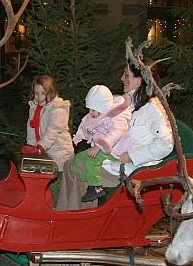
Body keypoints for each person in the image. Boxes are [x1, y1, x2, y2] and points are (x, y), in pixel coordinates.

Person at [56, 59, 173, 210]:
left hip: (134, 167)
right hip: (113, 156)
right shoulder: (125, 101)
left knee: (81, 169)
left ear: (140, 80)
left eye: (126, 75)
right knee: (69, 165)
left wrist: (132, 155)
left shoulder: (153, 108)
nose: (122, 78)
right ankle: (63, 212)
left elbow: (166, 144)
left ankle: (79, 218)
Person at [69, 84, 132, 202]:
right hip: (100, 147)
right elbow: (85, 124)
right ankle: (82, 178)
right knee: (78, 158)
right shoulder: (97, 113)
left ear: (103, 107)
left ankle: (96, 187)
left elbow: (115, 134)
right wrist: (79, 136)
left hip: (115, 150)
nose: (90, 112)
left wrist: (99, 147)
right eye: (89, 109)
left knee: (91, 159)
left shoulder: (116, 117)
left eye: (93, 110)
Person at [21, 75, 74, 172]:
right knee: (45, 173)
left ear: (51, 92)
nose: (39, 97)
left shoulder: (58, 109)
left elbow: (53, 132)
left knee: (60, 176)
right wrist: (31, 146)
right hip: (44, 150)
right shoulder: (34, 108)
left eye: (43, 93)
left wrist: (41, 147)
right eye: (36, 93)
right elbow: (31, 128)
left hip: (59, 152)